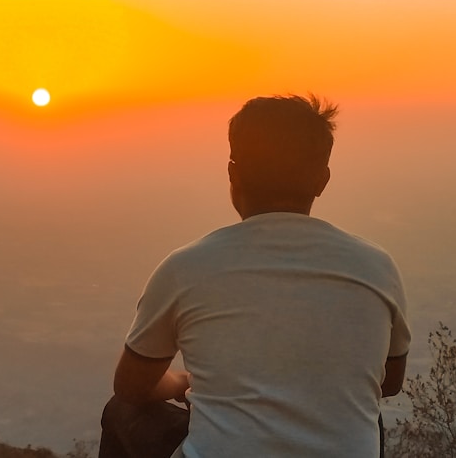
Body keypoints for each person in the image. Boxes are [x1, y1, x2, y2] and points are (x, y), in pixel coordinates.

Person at [99, 94, 411, 457]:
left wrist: (183, 383)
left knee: (121, 412)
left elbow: (132, 388)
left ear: (233, 173)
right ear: (322, 180)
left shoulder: (185, 269)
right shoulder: (377, 267)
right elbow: (388, 382)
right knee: (367, 418)